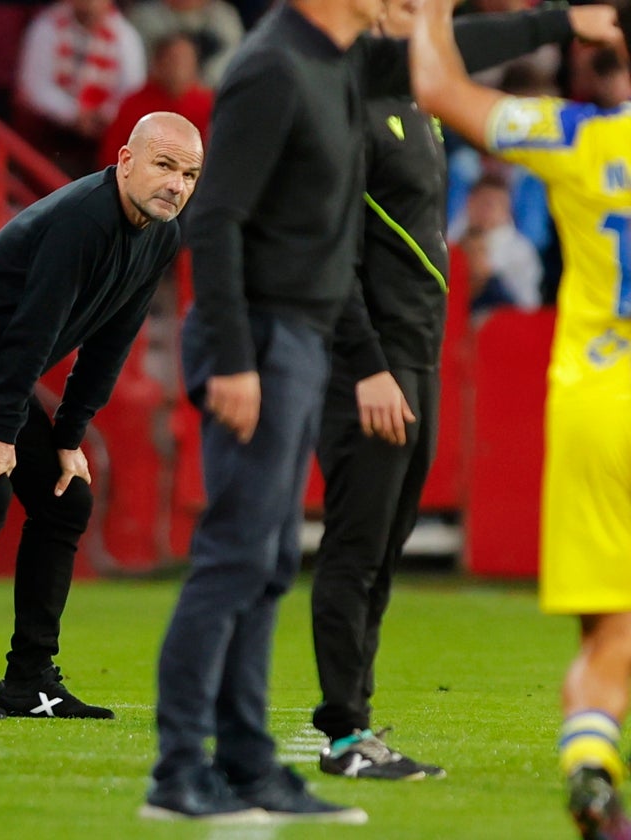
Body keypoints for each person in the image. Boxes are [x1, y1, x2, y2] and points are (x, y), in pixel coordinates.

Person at [141, 0, 601, 823]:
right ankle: (183, 772)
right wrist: (244, 358)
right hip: (278, 345)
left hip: (313, 341)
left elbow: (453, 49)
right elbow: (215, 219)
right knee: (237, 559)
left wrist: (566, 21)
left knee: (273, 558)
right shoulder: (275, 65)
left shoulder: (344, 66)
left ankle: (249, 767)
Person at [310, 0, 596, 782]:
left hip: (419, 353)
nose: (422, 21)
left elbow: (469, 46)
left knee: (386, 545)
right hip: (370, 362)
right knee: (355, 544)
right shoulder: (347, 100)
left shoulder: (415, 97)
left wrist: (567, 22)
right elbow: (326, 255)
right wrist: (365, 363)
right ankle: (342, 731)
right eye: (404, 8)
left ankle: (356, 717)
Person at [0, 112, 203, 720]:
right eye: (165, 166)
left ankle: (30, 680)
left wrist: (68, 436)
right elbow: (29, 335)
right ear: (126, 160)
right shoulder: (84, 219)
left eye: (189, 174)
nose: (177, 184)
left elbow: (112, 341)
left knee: (66, 500)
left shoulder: (163, 233)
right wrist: (0, 434)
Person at [410, 1, 629, 837]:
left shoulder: (581, 135)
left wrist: (433, 6)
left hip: (598, 402)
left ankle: (589, 760)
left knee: (609, 632)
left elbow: (434, 85)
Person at [14, 0, 147, 178]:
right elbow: (34, 86)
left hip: (102, 125)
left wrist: (104, 114)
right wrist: (74, 113)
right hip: (55, 124)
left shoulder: (125, 35)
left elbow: (132, 90)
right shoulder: (47, 27)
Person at [99, 34, 214, 168]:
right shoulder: (134, 105)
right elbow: (112, 156)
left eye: (185, 59)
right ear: (157, 62)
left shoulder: (209, 105)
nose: (179, 66)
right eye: (172, 59)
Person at [456, 172, 543, 320]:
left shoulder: (521, 251)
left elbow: (528, 307)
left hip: (505, 324)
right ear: (470, 202)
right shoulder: (452, 236)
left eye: (494, 205)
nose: (486, 211)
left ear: (506, 210)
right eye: (482, 203)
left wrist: (485, 276)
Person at [127, 0, 244, 88]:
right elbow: (138, 68)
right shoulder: (145, 19)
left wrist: (200, 83)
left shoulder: (225, 18)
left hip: (214, 94)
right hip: (158, 95)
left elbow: (235, 62)